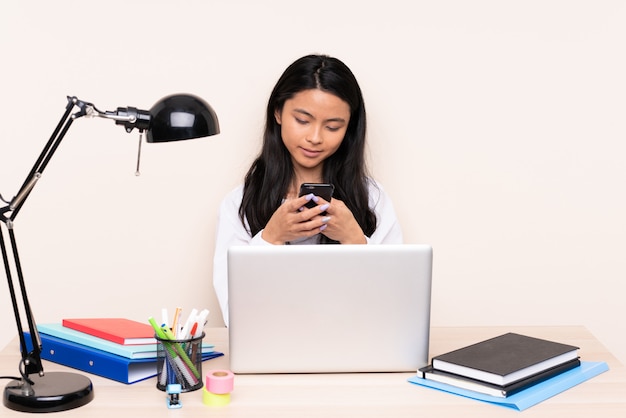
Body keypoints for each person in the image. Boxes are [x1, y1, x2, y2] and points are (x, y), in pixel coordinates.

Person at [213, 54, 403, 325]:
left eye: (333, 126)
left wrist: (355, 240)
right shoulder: (240, 202)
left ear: (349, 128)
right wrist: (271, 238)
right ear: (277, 112)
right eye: (302, 120)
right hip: (273, 352)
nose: (315, 137)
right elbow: (237, 317)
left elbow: (395, 309)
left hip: (355, 350)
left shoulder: (372, 199)